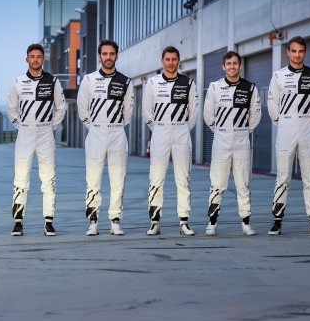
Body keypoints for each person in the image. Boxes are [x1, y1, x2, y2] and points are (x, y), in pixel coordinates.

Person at [267, 36, 310, 235]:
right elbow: (272, 104)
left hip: (307, 129)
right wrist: (283, 122)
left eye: (300, 51)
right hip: (286, 128)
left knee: (309, 178)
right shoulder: (278, 76)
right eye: (293, 51)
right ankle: (277, 221)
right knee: (282, 177)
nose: (297, 54)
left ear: (305, 53)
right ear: (288, 52)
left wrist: (308, 121)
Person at [8, 43, 66, 237]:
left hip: (45, 134)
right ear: (27, 59)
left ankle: (48, 222)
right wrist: (22, 126)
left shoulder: (53, 81)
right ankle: (18, 222)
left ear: (43, 59)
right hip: (25, 134)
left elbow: (60, 108)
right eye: (32, 56)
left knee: (49, 179)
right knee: (21, 179)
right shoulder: (18, 81)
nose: (35, 60)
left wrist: (51, 126)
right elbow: (11, 109)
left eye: (39, 56)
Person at [77, 39, 134, 236]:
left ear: (116, 56)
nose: (108, 57)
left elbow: (128, 112)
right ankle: (93, 222)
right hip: (96, 133)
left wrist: (114, 126)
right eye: (105, 54)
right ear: (100, 56)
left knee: (118, 179)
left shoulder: (126, 82)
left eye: (111, 54)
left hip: (117, 132)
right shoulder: (89, 80)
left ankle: (115, 221)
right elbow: (82, 109)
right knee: (93, 179)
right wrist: (94, 128)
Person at [203, 51, 261, 236]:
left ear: (240, 66)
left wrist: (241, 130)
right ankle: (212, 223)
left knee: (243, 183)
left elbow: (255, 116)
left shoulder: (250, 88)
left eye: (235, 63)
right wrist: (221, 130)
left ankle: (246, 223)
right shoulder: (214, 87)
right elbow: (208, 115)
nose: (232, 66)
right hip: (221, 141)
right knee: (217, 183)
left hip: (242, 140)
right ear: (223, 66)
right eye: (229, 63)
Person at [143, 46, 199, 236]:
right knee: (156, 179)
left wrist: (181, 128)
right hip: (160, 132)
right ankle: (155, 221)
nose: (171, 62)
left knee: (183, 179)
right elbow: (146, 112)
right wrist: (159, 129)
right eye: (167, 59)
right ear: (162, 61)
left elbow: (193, 113)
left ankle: (184, 222)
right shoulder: (152, 83)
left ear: (179, 61)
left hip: (181, 131)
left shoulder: (188, 83)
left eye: (174, 59)